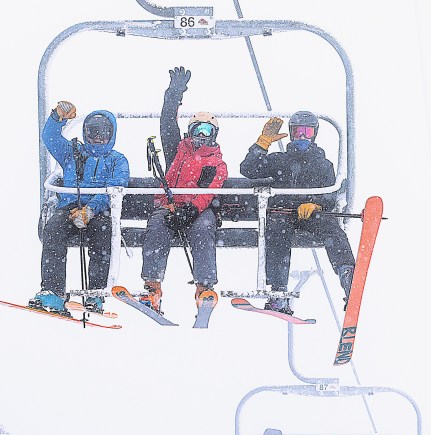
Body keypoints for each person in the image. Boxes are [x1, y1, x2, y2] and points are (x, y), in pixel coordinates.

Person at [239, 111, 355, 314]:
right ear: (291, 134)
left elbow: (330, 193)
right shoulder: (279, 160)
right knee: (277, 232)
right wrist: (263, 143)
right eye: (298, 131)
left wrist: (315, 204)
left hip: (310, 213)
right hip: (282, 212)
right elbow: (248, 169)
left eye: (307, 132)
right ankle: (278, 293)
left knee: (331, 229)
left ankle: (347, 274)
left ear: (314, 135)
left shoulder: (322, 164)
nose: (302, 136)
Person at [139, 66, 228, 313]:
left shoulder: (216, 163)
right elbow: (167, 120)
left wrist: (191, 210)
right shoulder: (177, 151)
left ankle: (204, 288)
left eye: (207, 131)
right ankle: (152, 287)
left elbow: (211, 191)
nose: (201, 135)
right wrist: (175, 92)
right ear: (189, 132)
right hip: (170, 204)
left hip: (199, 210)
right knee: (157, 226)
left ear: (214, 135)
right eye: (197, 130)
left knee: (202, 230)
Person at [30, 100, 130, 315]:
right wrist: (57, 118)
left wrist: (90, 210)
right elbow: (50, 138)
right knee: (54, 229)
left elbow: (115, 188)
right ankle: (53, 291)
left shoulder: (117, 160)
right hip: (69, 208)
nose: (97, 138)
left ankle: (95, 293)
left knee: (102, 233)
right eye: (93, 132)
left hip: (99, 211)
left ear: (111, 134)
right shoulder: (72, 152)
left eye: (103, 133)